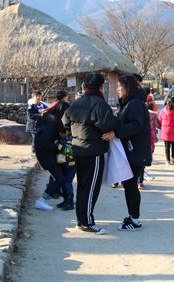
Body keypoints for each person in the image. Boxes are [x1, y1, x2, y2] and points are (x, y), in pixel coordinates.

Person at [62, 73, 117, 235]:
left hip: (78, 149)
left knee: (82, 186)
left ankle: (81, 220)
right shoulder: (100, 104)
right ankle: (86, 222)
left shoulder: (77, 102)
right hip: (94, 151)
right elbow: (108, 124)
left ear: (85, 87)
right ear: (101, 87)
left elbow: (65, 122)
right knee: (91, 187)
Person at [105, 74, 152, 231]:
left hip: (135, 151)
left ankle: (135, 219)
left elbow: (135, 125)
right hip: (131, 151)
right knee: (129, 184)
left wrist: (115, 134)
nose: (118, 89)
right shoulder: (129, 103)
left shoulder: (135, 104)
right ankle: (133, 216)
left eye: (120, 87)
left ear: (128, 88)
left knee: (131, 185)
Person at [158, 97, 174, 164]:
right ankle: (173, 158)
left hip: (165, 131)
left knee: (167, 146)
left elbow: (159, 120)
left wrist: (161, 127)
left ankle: (167, 160)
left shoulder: (162, 111)